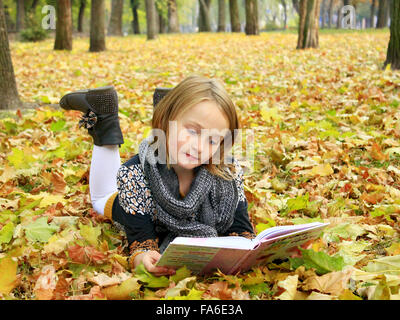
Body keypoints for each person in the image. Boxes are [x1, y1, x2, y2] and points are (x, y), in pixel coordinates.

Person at [59, 75, 256, 276]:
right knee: (101, 199)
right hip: (130, 202)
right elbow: (141, 242)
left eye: (213, 140)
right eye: (193, 131)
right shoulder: (134, 175)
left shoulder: (226, 172)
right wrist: (143, 258)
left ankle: (167, 105)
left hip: (166, 144)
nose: (199, 147)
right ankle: (103, 119)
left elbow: (241, 230)